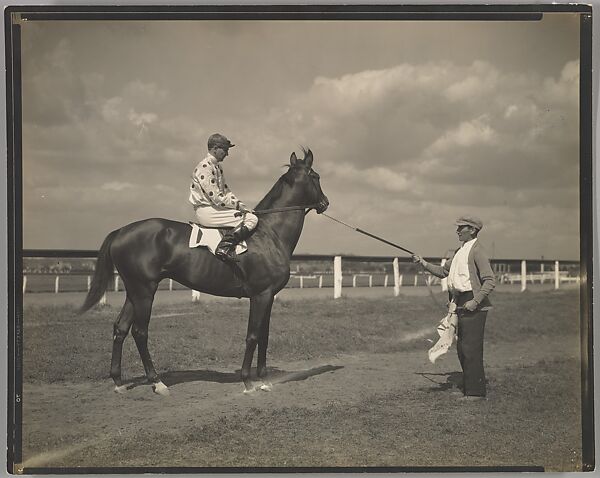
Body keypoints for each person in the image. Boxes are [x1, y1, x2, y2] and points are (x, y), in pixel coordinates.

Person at [412, 215, 496, 401]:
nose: (457, 231)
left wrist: (475, 301)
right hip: (458, 302)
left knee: (470, 347)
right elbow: (443, 272)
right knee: (462, 348)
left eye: (461, 228)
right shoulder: (460, 251)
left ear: (472, 230)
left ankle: (476, 392)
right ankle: (468, 387)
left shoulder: (477, 252)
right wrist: (423, 263)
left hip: (473, 303)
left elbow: (490, 281)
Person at [189, 133, 258, 263]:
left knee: (247, 215)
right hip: (208, 211)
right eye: (225, 150)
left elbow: (226, 192)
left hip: (214, 209)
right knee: (251, 219)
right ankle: (224, 247)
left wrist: (243, 207)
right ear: (215, 149)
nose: (227, 154)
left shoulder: (217, 167)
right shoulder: (204, 168)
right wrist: (242, 209)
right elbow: (218, 198)